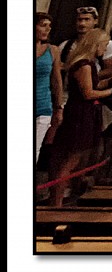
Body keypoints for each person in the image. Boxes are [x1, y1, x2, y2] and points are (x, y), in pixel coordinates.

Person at [48, 13, 112, 203]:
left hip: (85, 112)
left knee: (78, 158)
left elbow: (94, 86)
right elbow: (88, 93)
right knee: (71, 159)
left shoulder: (89, 65)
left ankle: (65, 196)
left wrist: (111, 81)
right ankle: (56, 202)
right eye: (103, 45)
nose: (104, 49)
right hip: (79, 114)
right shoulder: (84, 64)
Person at [33, 12, 59, 169]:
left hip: (43, 104)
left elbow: (56, 80)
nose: (47, 30)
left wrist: (58, 107)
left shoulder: (52, 50)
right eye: (43, 25)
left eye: (49, 26)